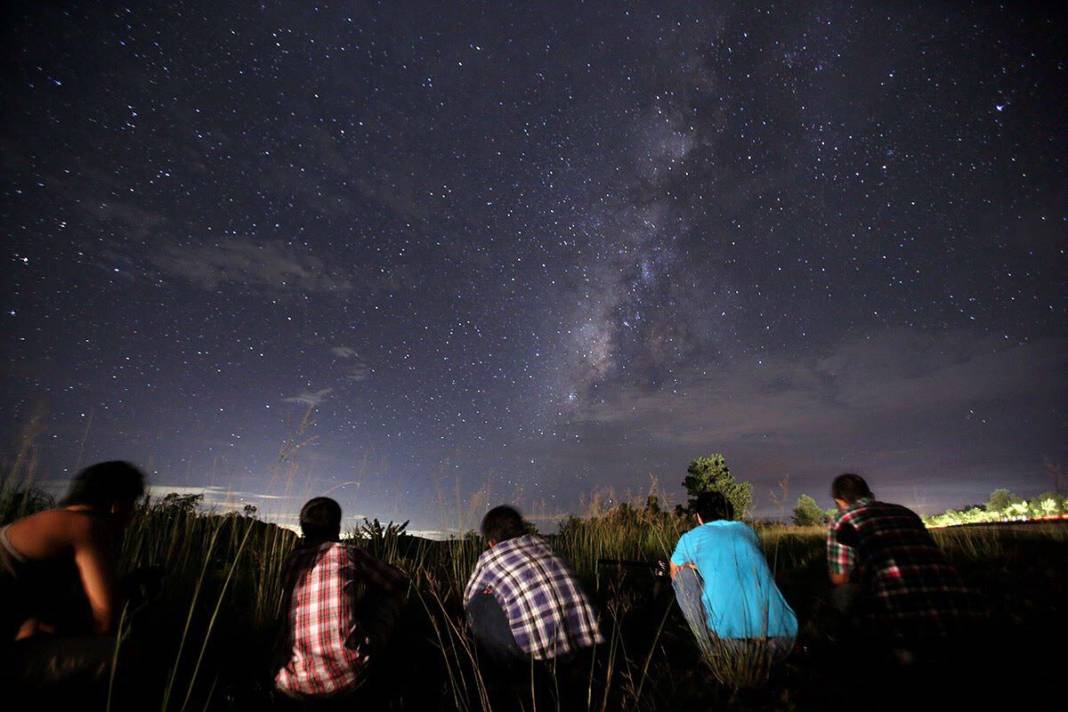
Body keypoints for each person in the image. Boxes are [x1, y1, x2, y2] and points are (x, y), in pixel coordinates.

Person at [0, 460, 146, 693]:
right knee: (126, 655)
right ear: (117, 505)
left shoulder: (51, 521)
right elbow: (106, 622)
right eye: (133, 505)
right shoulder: (85, 526)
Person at [826, 473, 984, 658]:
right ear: (869, 494)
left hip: (901, 624)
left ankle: (861, 652)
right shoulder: (905, 512)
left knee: (841, 594)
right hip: (960, 612)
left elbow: (839, 578)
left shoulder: (842, 519)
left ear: (840, 501)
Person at [274, 497, 408, 704]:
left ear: (303, 528)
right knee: (389, 592)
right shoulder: (347, 553)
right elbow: (398, 581)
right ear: (336, 527)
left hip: (289, 682)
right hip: (345, 678)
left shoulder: (291, 560)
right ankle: (397, 665)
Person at [463, 505, 603, 669]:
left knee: (478, 603)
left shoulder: (489, 557)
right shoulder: (544, 544)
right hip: (581, 644)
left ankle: (498, 667)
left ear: (492, 542)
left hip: (536, 655)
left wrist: (492, 590)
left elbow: (468, 600)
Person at [669, 491, 797, 659]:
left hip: (734, 645)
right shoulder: (747, 531)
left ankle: (710, 651)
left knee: (683, 576)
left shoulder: (690, 538)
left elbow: (674, 573)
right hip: (785, 637)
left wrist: (692, 567)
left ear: (699, 517)